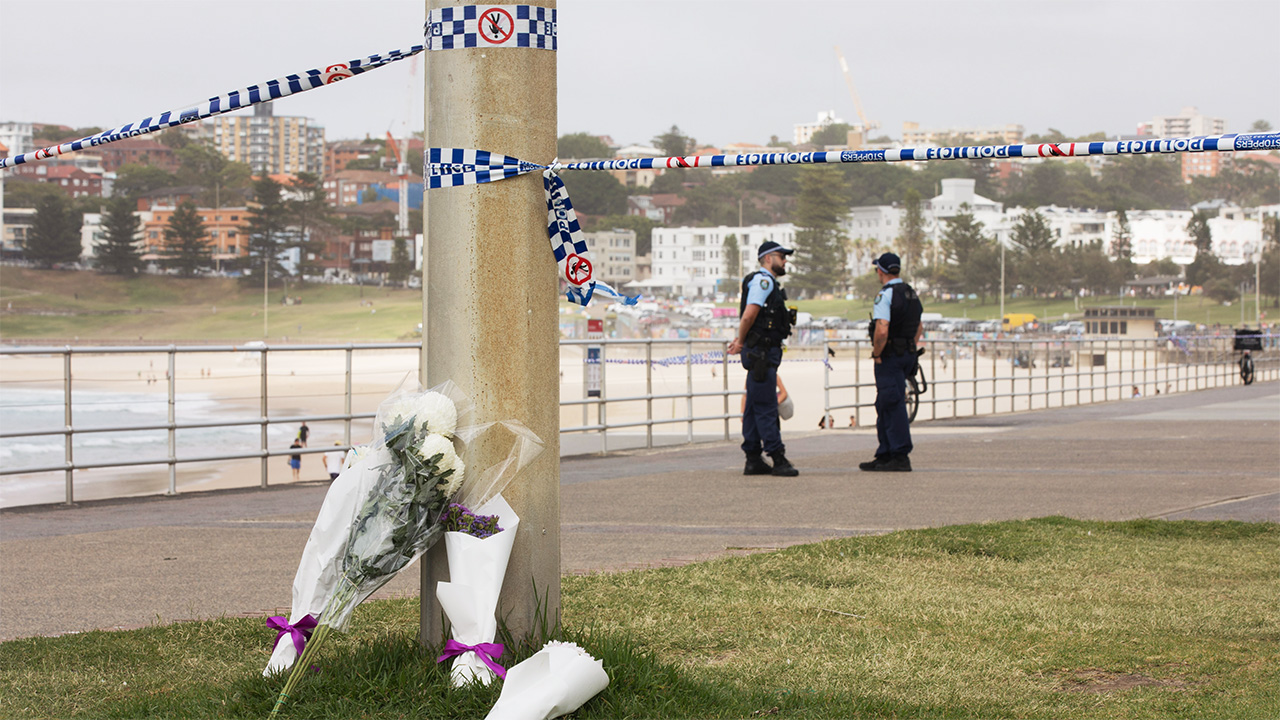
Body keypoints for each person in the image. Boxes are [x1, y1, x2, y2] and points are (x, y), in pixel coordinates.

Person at [728, 240, 799, 477]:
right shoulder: (764, 281)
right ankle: (777, 457)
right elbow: (749, 315)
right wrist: (740, 341)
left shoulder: (764, 282)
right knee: (766, 406)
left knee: (753, 406)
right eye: (782, 256)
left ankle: (753, 457)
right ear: (768, 258)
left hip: (760, 352)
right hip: (761, 353)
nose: (785, 261)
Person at [859, 252, 923, 473]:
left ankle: (898, 454)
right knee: (886, 403)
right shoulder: (911, 293)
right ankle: (885, 453)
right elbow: (919, 328)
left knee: (892, 404)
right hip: (906, 354)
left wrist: (878, 352)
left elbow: (882, 328)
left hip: (890, 357)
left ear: (881, 271)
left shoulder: (885, 295)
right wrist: (909, 347)